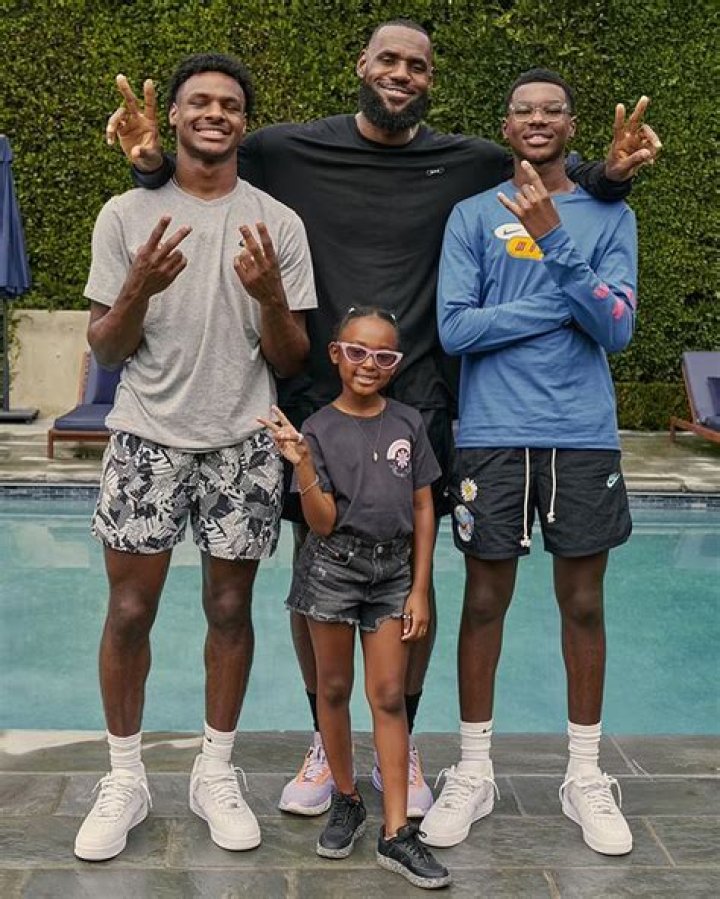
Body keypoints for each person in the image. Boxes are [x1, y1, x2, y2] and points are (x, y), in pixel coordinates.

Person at [105, 18, 661, 817]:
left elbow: (545, 171)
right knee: (318, 571)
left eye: (417, 65)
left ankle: (404, 731)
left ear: (431, 79)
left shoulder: (469, 160)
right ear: (361, 64)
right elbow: (205, 159)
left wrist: (606, 175)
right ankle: (322, 737)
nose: (402, 74)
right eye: (389, 60)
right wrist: (151, 162)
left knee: (411, 576)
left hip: (421, 395)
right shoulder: (287, 149)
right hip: (318, 395)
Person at [74, 52, 316, 861]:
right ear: (173, 116)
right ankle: (125, 777)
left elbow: (291, 358)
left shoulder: (277, 223)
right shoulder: (123, 215)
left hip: (242, 441)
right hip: (146, 435)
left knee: (229, 609)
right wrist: (138, 287)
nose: (215, 113)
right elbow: (106, 348)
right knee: (128, 612)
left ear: (245, 122)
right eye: (200, 102)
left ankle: (215, 770)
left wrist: (271, 296)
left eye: (230, 104)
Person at [423, 68, 638, 856]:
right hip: (492, 431)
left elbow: (617, 330)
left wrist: (554, 239)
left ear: (571, 127)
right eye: (524, 110)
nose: (538, 119)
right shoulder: (471, 214)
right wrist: (564, 303)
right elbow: (456, 329)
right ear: (506, 127)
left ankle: (584, 774)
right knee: (485, 600)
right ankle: (473, 769)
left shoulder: (611, 214)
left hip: (581, 433)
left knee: (582, 602)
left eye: (553, 110)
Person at [260, 306, 450, 890]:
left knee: (388, 694)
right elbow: (320, 522)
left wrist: (420, 588)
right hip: (331, 570)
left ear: (396, 364)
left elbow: (423, 507)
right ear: (336, 354)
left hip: (393, 573)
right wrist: (304, 464)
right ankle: (346, 798)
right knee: (334, 689)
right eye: (358, 351)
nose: (369, 364)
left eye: (383, 356)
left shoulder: (409, 423)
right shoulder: (317, 429)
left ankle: (397, 831)